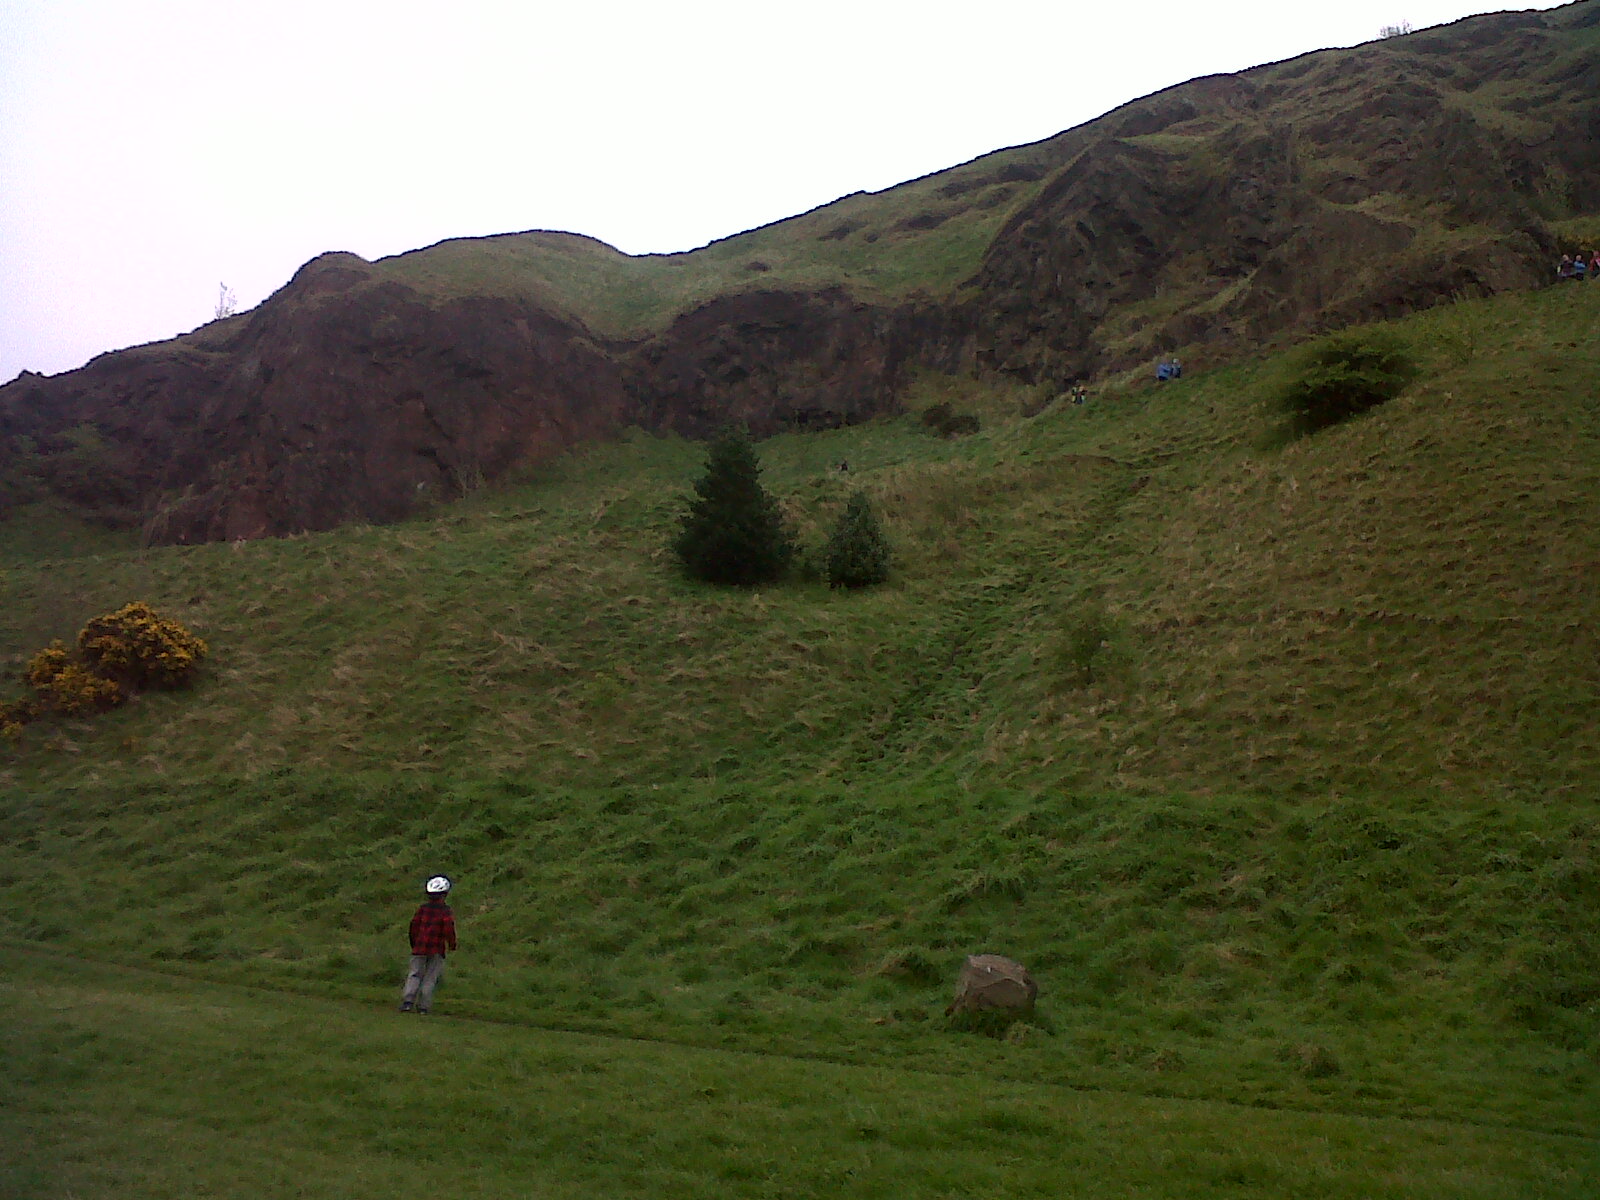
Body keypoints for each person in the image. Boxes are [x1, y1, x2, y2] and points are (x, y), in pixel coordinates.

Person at [399, 875, 457, 1014]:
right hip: (436, 949)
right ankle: (423, 1006)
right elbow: (448, 929)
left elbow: (413, 927)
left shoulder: (422, 909)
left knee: (414, 974)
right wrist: (452, 944)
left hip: (419, 947)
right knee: (430, 977)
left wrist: (414, 943)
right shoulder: (445, 911)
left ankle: (408, 1002)